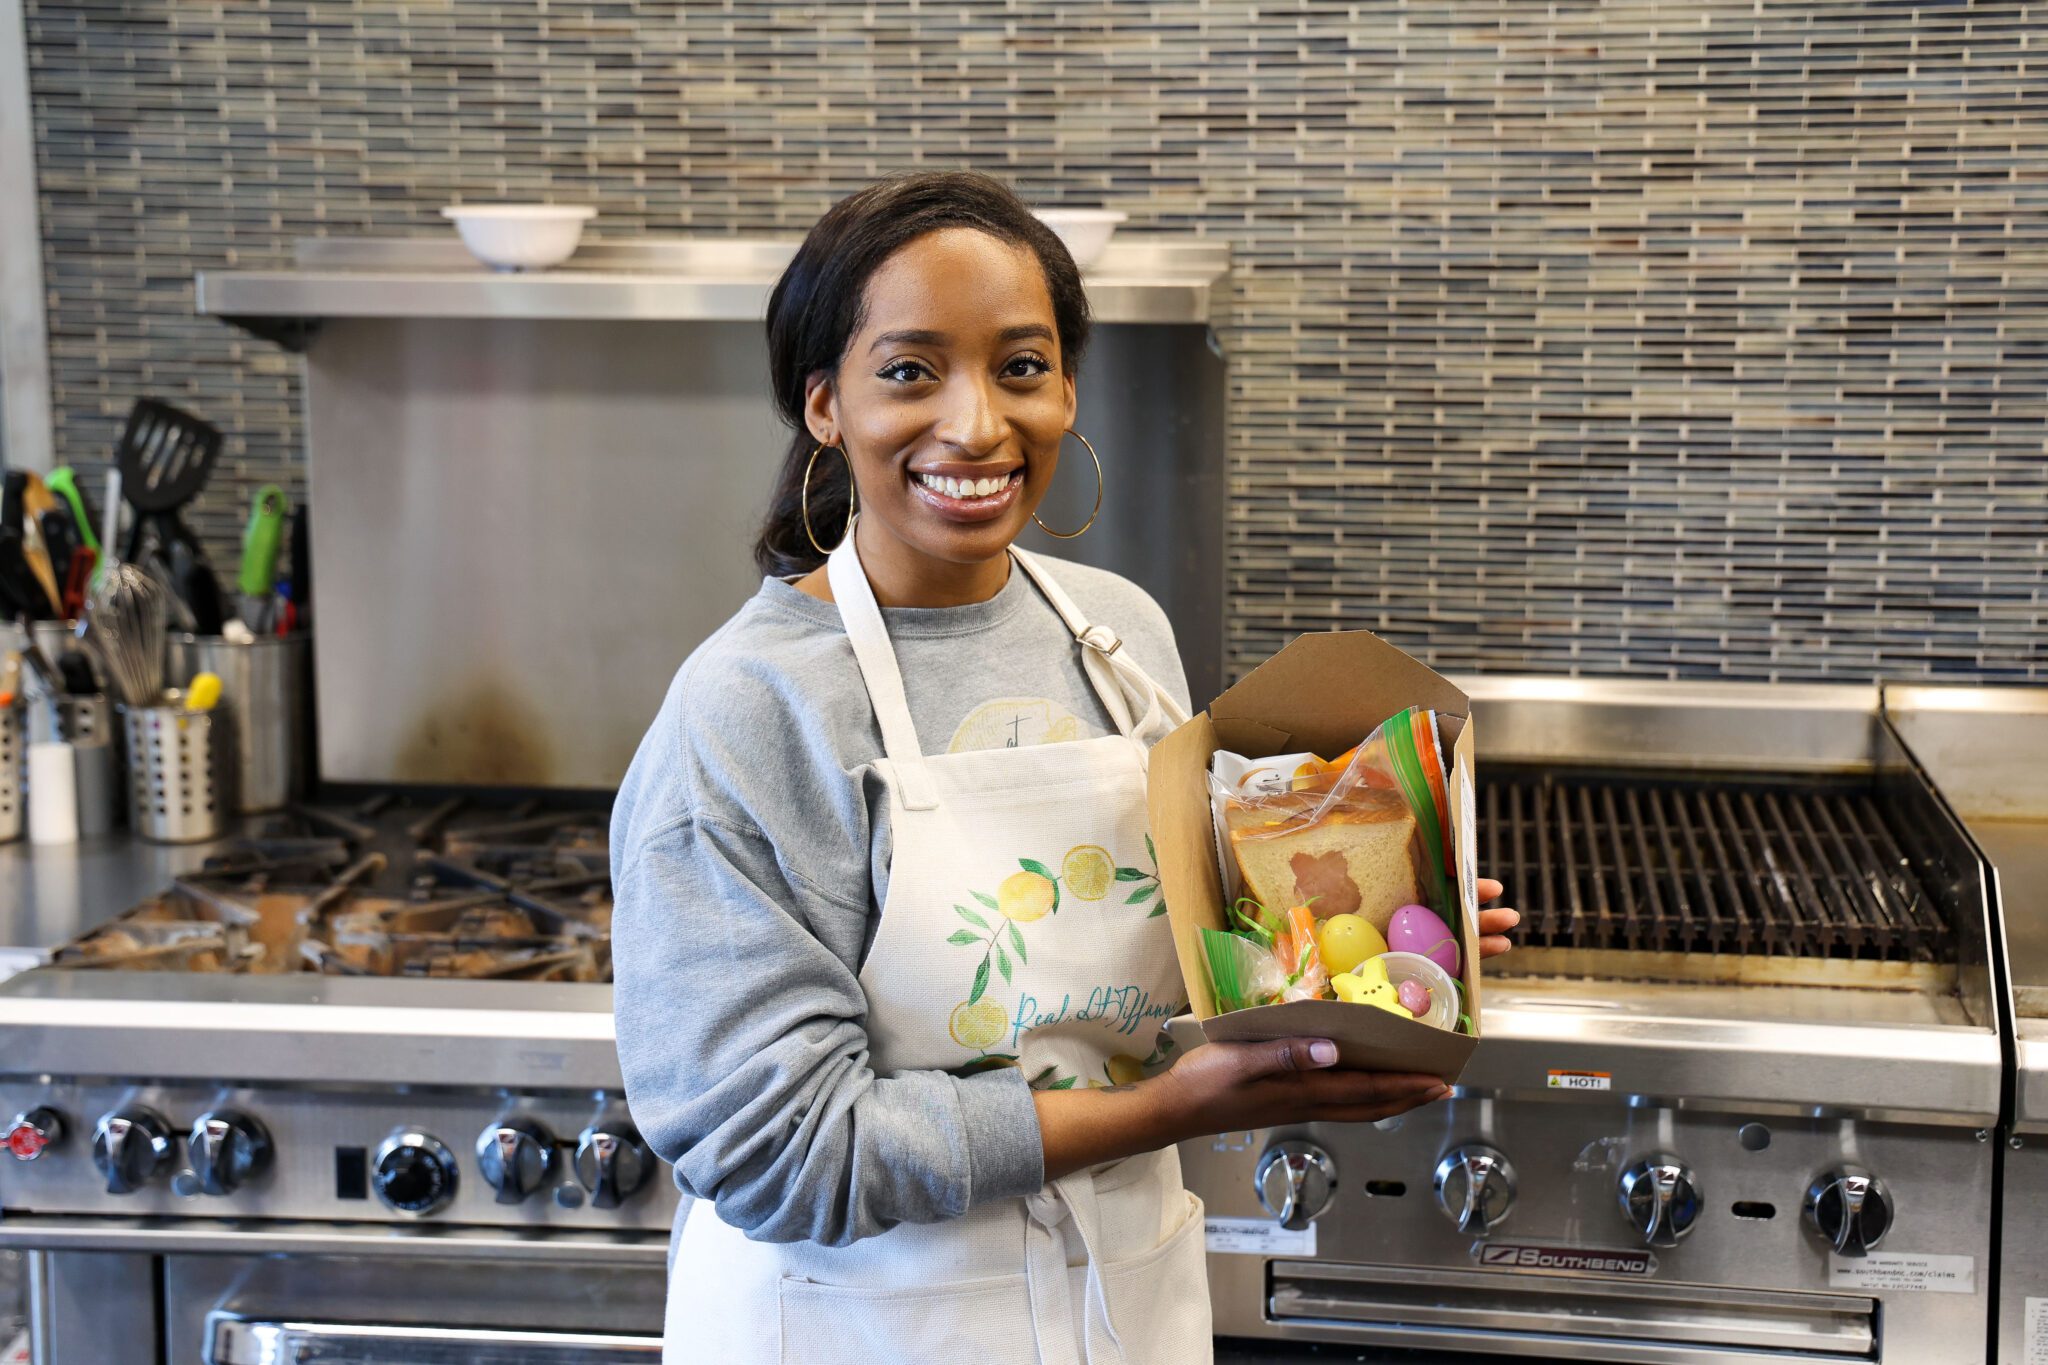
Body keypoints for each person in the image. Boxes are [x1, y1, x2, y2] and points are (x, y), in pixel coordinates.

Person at [611, 170, 1520, 1364]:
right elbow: (780, 1153)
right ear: (825, 405)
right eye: (909, 371)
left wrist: (1349, 944)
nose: (977, 425)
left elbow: (1197, 945)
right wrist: (1155, 1113)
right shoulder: (750, 709)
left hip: (1121, 1307)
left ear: (1068, 387)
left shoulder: (1117, 636)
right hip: (859, 1324)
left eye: (1021, 366)